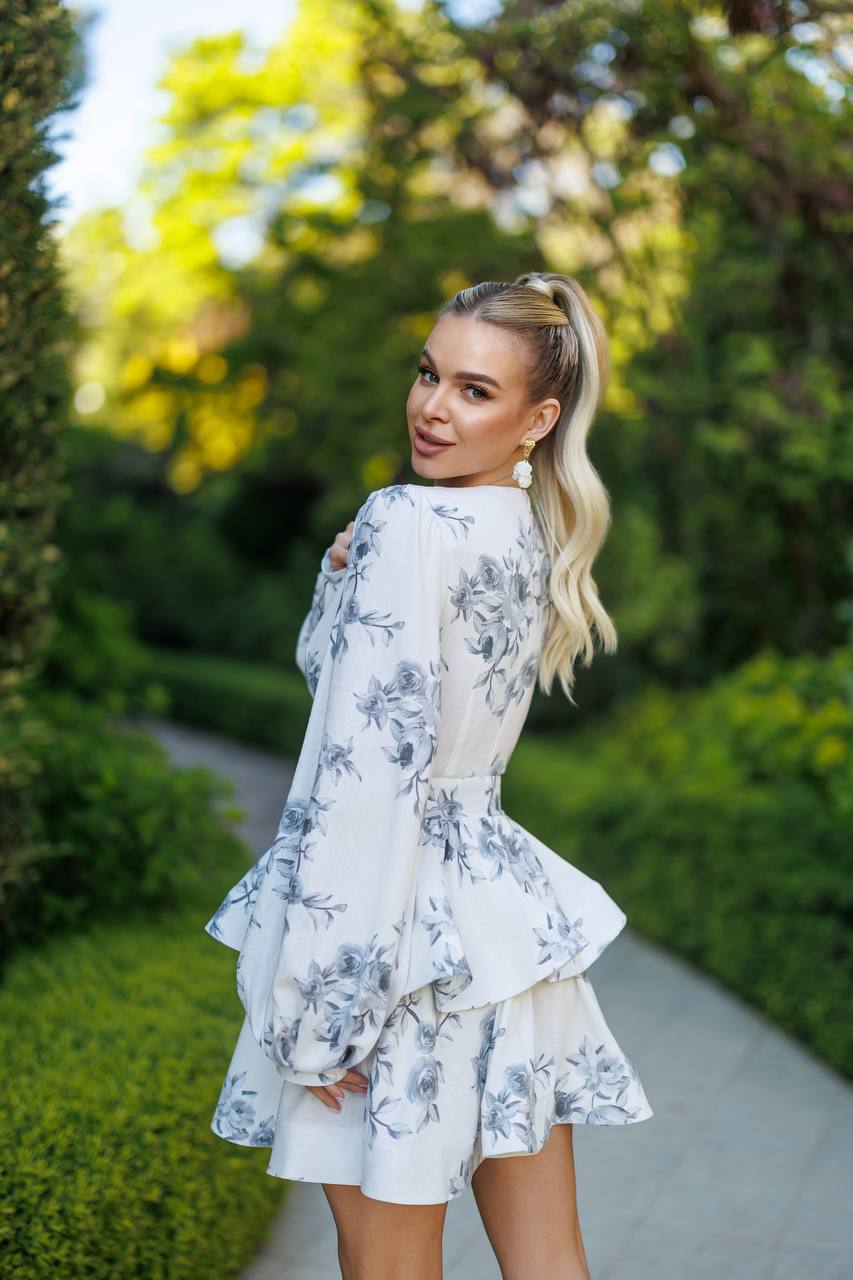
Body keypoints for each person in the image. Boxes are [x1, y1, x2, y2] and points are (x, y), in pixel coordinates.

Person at [204, 271, 653, 1279]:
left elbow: (366, 775)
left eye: (473, 390)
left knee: (389, 1268)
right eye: (427, 374)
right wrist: (339, 583)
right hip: (500, 929)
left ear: (538, 417)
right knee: (549, 1259)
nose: (432, 407)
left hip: (389, 942)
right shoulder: (522, 530)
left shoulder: (407, 521)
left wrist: (323, 1011)